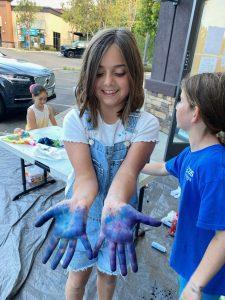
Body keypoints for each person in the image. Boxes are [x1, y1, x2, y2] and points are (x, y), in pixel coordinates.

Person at [35, 28, 161, 300]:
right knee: (77, 278)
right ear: (88, 74)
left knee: (108, 276)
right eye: (99, 73)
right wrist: (80, 206)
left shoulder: (147, 125)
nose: (108, 82)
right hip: (82, 213)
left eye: (119, 72)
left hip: (117, 217)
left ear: (135, 74)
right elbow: (85, 178)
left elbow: (128, 173)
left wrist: (113, 204)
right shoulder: (76, 121)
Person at [142, 72, 225, 300]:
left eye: (182, 100)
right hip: (190, 260)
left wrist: (197, 284)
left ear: (195, 113)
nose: (177, 105)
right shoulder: (192, 153)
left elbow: (223, 235)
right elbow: (162, 167)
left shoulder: (214, 166)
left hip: (205, 274)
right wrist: (130, 162)